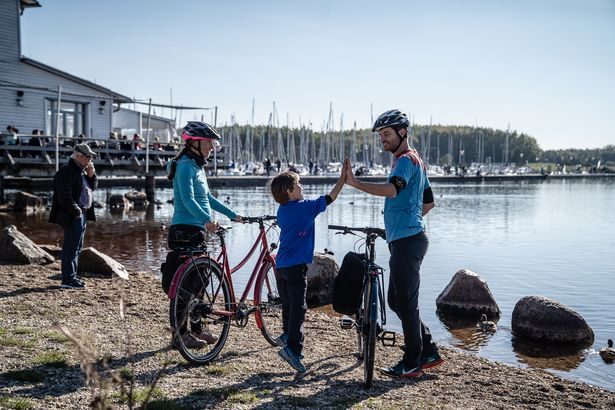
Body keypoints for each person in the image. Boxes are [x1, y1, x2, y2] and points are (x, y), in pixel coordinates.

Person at [344, 109, 442, 378]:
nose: (382, 140)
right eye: (381, 135)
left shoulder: (406, 162)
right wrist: (406, 223)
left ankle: (412, 362)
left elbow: (392, 190)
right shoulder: (415, 161)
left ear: (403, 132)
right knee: (397, 301)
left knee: (405, 303)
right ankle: (428, 350)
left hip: (409, 242)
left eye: (386, 134)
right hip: (406, 239)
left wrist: (355, 182)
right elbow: (429, 202)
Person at [164, 121, 243, 349]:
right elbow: (188, 200)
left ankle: (196, 328)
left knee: (201, 281)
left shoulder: (197, 167)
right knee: (187, 285)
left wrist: (232, 214)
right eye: (210, 142)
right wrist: (206, 220)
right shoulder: (186, 166)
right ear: (196, 143)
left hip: (196, 230)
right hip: (185, 230)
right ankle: (180, 335)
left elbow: (207, 199)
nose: (212, 147)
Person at [269, 160, 347, 373]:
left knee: (288, 303)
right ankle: (293, 349)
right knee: (300, 308)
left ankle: (287, 334)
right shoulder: (305, 208)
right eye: (299, 184)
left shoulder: (282, 210)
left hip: (281, 266)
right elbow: (330, 198)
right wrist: (342, 179)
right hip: (295, 267)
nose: (302, 187)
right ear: (289, 191)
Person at [49, 143, 98, 289]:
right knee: (71, 247)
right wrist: (76, 212)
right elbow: (64, 196)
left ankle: (72, 276)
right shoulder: (66, 171)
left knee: (77, 247)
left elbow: (93, 187)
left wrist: (92, 175)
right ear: (78, 156)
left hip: (82, 213)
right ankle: (67, 280)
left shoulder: (82, 171)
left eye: (91, 157)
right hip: (73, 215)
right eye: (87, 156)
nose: (90, 159)